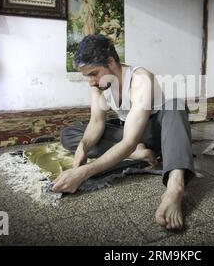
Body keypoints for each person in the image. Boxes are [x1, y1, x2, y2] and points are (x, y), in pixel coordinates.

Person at [53, 35, 195, 230]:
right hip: (128, 130)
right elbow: (96, 122)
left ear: (110, 62)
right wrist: (81, 153)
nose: (90, 82)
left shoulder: (141, 79)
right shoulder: (98, 85)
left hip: (157, 133)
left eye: (93, 73)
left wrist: (83, 173)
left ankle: (175, 187)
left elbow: (129, 140)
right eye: (86, 76)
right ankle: (137, 153)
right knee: (71, 134)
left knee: (175, 106)